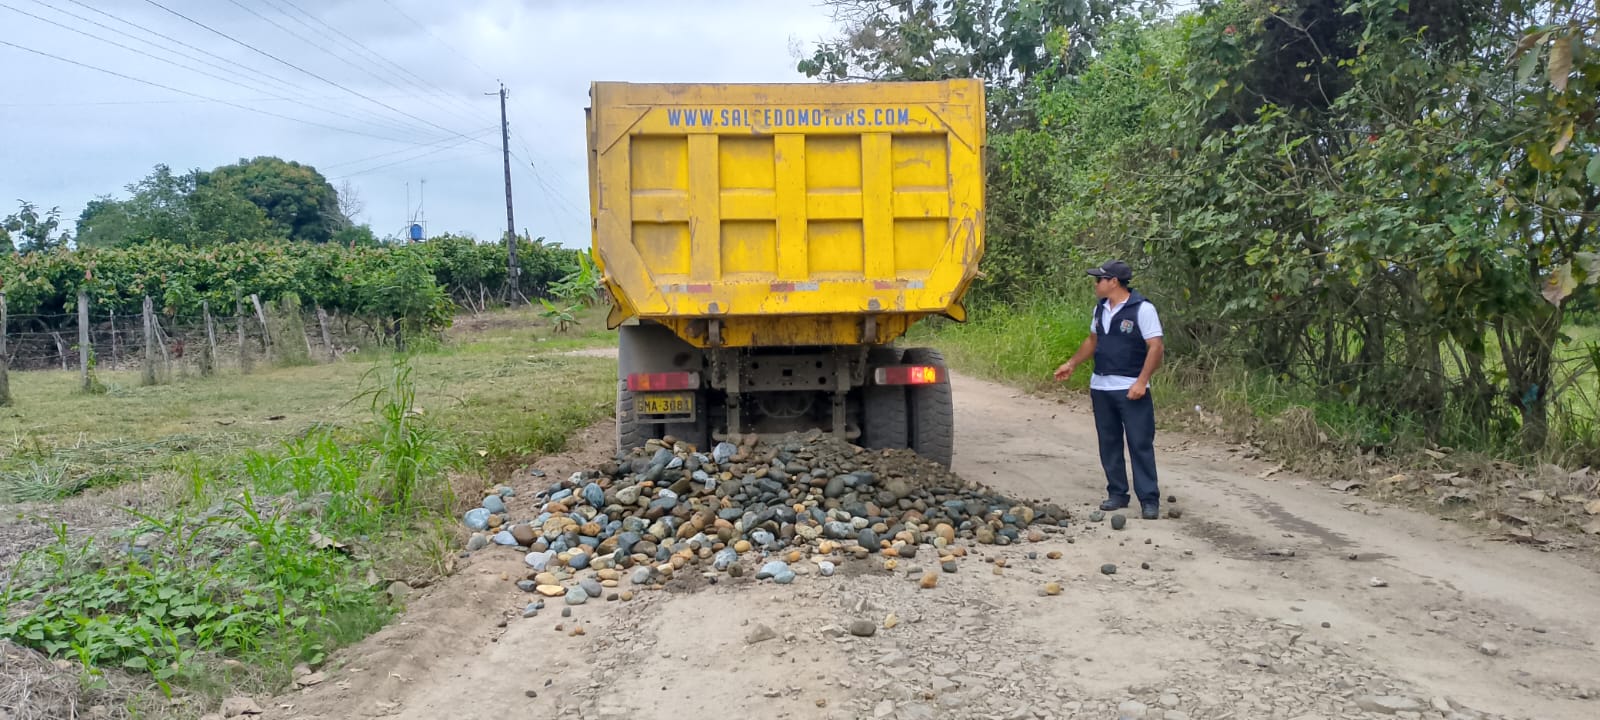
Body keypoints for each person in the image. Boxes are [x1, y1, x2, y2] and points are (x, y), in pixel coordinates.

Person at [1053, 260, 1166, 519]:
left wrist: (1141, 381)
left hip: (1130, 387)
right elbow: (1093, 340)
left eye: (1099, 280)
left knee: (1139, 443)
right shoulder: (1100, 308)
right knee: (1109, 442)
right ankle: (1117, 493)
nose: (1095, 284)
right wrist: (1072, 363)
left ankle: (1149, 499)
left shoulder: (1142, 308)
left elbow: (1156, 346)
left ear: (1113, 282)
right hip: (1101, 386)